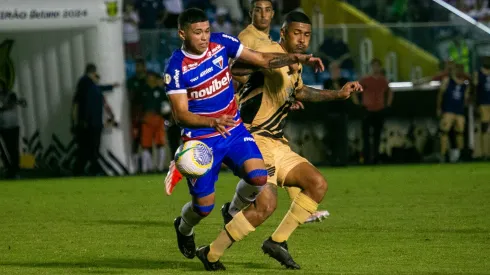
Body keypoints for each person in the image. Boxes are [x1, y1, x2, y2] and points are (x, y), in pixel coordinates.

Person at [163, 8, 323, 271]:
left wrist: (295, 58)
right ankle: (184, 227)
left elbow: (260, 59)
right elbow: (180, 115)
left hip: (234, 130)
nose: (204, 37)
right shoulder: (176, 67)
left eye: (206, 30)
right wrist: (211, 121)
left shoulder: (221, 43)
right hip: (202, 141)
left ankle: (233, 210)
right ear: (182, 33)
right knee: (203, 208)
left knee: (259, 177)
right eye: (197, 32)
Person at [202, 12, 362, 270]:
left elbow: (299, 90)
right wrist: (272, 63)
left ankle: (277, 242)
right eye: (297, 33)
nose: (302, 39)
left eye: (306, 34)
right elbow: (237, 70)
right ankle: (210, 253)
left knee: (317, 184)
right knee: (266, 205)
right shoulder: (268, 51)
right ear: (284, 33)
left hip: (277, 142)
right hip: (253, 140)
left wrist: (338, 94)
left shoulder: (295, 64)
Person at [72, 64, 119, 176]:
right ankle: (88, 169)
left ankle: (86, 169)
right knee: (91, 148)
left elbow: (77, 104)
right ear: (93, 73)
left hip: (90, 122)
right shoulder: (88, 85)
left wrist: (111, 86)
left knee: (88, 148)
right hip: (90, 123)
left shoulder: (87, 86)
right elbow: (82, 104)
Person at [352, 58, 393, 164]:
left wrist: (387, 104)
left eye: (377, 66)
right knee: (366, 136)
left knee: (377, 136)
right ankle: (367, 158)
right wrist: (358, 104)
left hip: (379, 109)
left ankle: (375, 157)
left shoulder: (383, 80)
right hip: (368, 109)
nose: (376, 68)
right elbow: (354, 90)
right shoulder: (366, 80)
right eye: (374, 66)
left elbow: (390, 92)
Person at [438, 63, 470, 162]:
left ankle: (458, 155)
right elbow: (440, 95)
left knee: (460, 132)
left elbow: (466, 98)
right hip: (448, 110)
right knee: (444, 131)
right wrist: (439, 108)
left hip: (459, 110)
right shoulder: (447, 81)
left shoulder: (465, 84)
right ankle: (443, 155)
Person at [140, 72, 170, 173]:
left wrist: (166, 116)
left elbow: (166, 106)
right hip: (146, 120)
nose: (150, 79)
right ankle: (146, 169)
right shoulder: (143, 90)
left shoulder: (160, 91)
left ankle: (160, 167)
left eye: (152, 77)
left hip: (158, 119)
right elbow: (138, 105)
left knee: (160, 143)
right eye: (149, 77)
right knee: (146, 145)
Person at [323, 62, 350, 167]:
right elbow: (326, 95)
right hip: (330, 114)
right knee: (331, 139)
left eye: (336, 69)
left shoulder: (344, 82)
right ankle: (333, 160)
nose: (334, 72)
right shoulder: (326, 82)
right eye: (332, 70)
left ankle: (343, 160)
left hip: (341, 113)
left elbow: (343, 95)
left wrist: (336, 85)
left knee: (342, 139)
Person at [0, 81, 26, 179]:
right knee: (4, 151)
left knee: (13, 149)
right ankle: (9, 169)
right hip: (2, 128)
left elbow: (11, 104)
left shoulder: (11, 95)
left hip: (12, 127)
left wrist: (2, 108)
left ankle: (15, 170)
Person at [127, 58, 147, 173]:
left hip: (147, 115)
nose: (138, 68)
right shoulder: (131, 81)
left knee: (146, 142)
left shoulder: (149, 80)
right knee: (135, 141)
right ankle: (134, 168)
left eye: (140, 66)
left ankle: (146, 168)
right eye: (137, 66)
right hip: (135, 115)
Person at [475, 57, 490, 159]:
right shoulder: (478, 73)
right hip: (484, 103)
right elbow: (475, 88)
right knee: (485, 127)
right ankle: (485, 152)